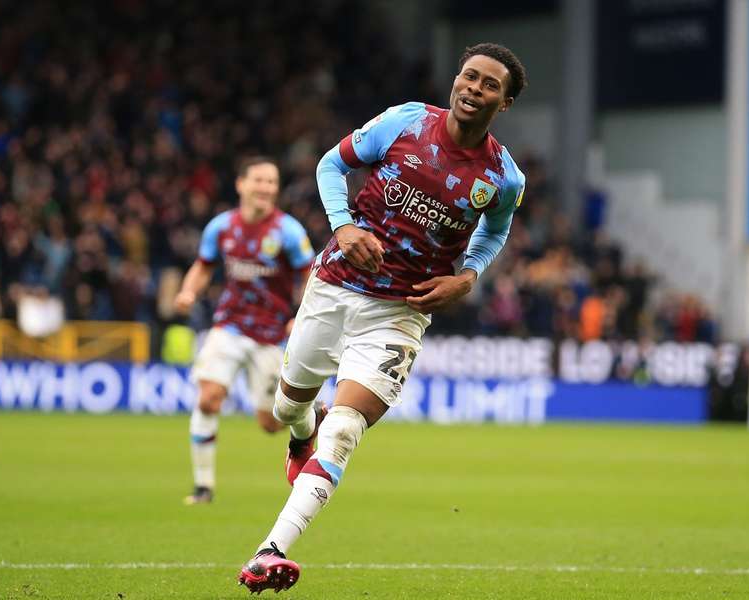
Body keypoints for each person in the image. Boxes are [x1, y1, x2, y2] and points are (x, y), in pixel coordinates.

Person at [238, 43, 528, 593]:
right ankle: (300, 440)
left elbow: (494, 231)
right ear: (457, 80)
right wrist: (344, 225)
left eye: (490, 85)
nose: (474, 89)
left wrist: (469, 275)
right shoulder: (405, 122)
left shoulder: (503, 177)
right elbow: (332, 164)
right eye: (469, 77)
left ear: (505, 102)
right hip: (334, 286)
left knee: (344, 428)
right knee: (288, 404)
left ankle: (269, 551)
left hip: (399, 312)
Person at [174, 156, 316, 505]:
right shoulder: (221, 227)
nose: (266, 188)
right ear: (241, 185)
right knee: (208, 398)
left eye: (271, 182)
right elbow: (203, 266)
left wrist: (302, 314)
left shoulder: (288, 231)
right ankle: (203, 487)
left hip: (270, 335)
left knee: (271, 423)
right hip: (229, 326)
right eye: (259, 180)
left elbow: (310, 275)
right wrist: (188, 291)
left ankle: (314, 419)